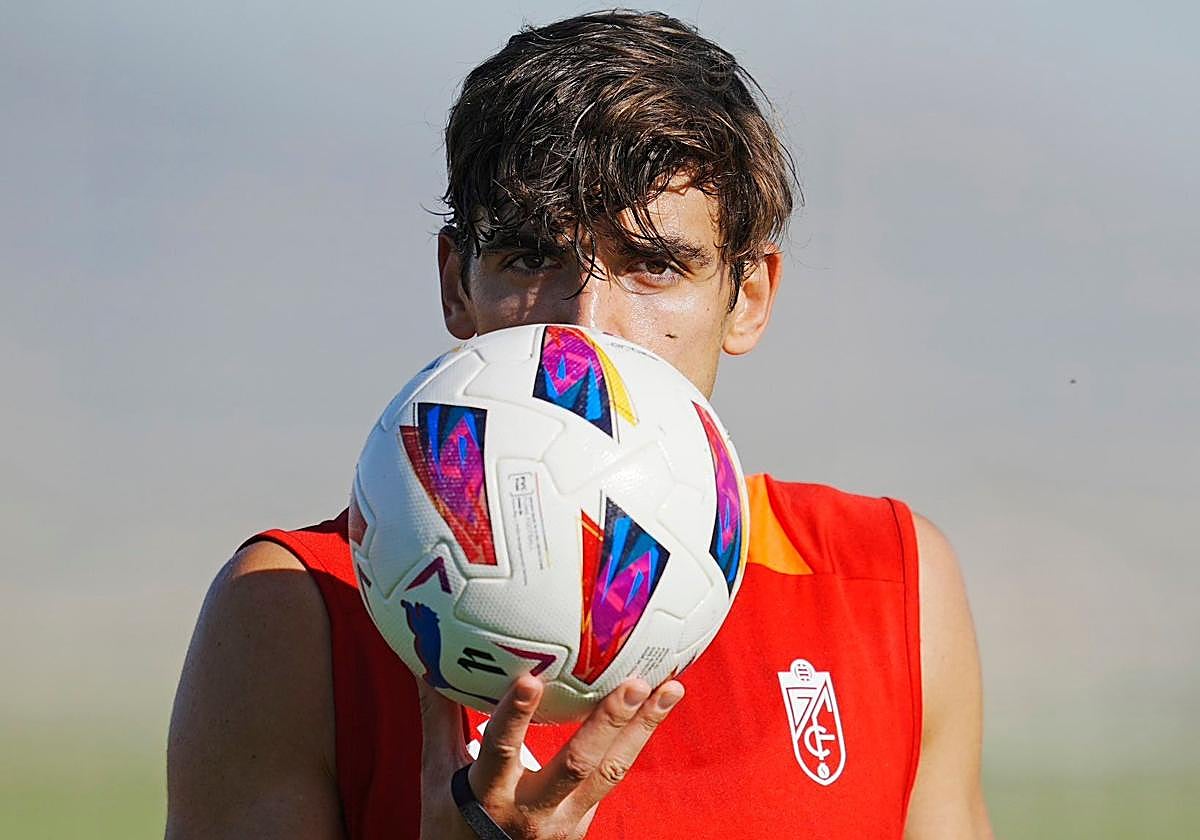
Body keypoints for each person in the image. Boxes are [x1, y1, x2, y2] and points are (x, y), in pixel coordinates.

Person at [166, 10, 992, 839]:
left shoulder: (886, 585)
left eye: (653, 265)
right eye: (530, 257)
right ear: (458, 285)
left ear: (749, 297)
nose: (585, 325)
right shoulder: (298, 611)